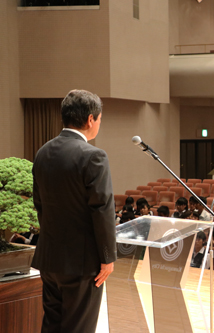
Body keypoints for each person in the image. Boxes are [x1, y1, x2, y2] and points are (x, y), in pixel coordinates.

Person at [31, 90, 116, 333]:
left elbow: (40, 206)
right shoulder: (94, 156)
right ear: (91, 119)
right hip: (82, 262)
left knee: (52, 326)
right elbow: (102, 209)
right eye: (100, 119)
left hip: (49, 258)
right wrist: (108, 257)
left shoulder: (43, 152)